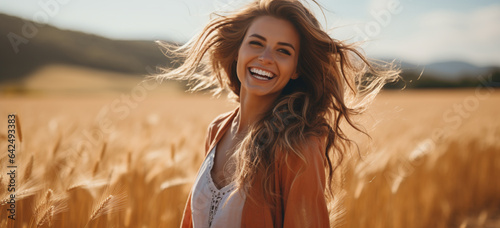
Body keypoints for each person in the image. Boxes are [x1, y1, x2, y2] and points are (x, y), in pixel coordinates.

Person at [156, 0, 399, 227]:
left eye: (283, 51)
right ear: (238, 51)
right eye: (256, 43)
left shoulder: (298, 145)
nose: (265, 58)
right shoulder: (217, 129)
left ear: (296, 70)